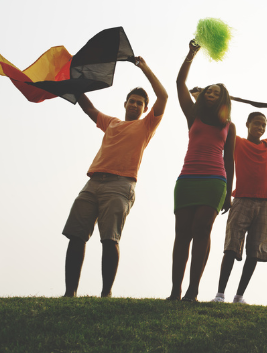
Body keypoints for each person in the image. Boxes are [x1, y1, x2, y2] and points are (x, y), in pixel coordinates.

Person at [62, 56, 167, 298]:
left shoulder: (146, 126)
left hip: (121, 185)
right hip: (93, 182)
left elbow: (163, 97)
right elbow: (89, 108)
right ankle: (70, 294)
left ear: (144, 109)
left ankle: (106, 294)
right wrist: (73, 84)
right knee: (77, 235)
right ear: (125, 103)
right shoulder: (112, 123)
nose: (135, 105)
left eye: (140, 103)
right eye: (132, 101)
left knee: (110, 238)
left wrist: (144, 67)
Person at [168, 40, 236, 302]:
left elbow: (229, 160)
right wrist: (191, 54)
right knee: (182, 233)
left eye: (217, 91)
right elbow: (179, 84)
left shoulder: (229, 126)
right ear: (204, 94)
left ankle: (192, 291)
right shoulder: (192, 115)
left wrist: (229, 192)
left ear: (222, 99)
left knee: (201, 230)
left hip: (214, 181)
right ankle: (175, 290)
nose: (212, 92)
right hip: (187, 179)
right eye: (210, 89)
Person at [210, 111, 267, 304]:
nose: (260, 127)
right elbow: (221, 126)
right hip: (241, 200)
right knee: (232, 247)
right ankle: (220, 294)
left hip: (265, 203)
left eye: (264, 125)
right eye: (257, 123)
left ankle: (239, 296)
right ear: (247, 124)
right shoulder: (238, 142)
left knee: (255, 251)